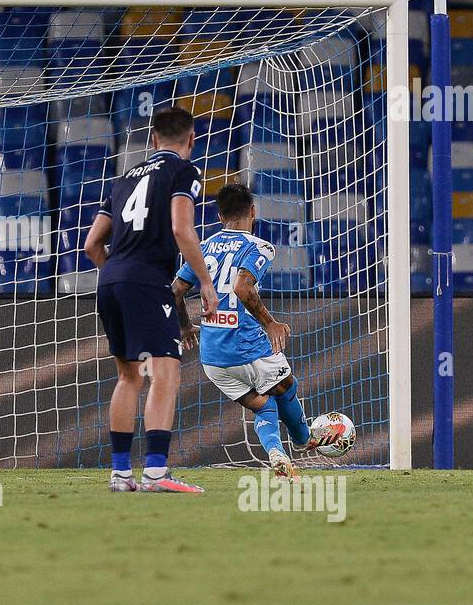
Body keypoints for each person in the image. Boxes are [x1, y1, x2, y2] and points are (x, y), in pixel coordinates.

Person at [83, 106, 215, 494]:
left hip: (110, 280)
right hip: (145, 280)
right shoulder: (184, 171)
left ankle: (121, 474)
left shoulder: (123, 179)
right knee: (166, 373)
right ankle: (156, 472)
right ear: (191, 140)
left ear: (153, 139)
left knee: (129, 375)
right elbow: (180, 227)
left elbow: (92, 244)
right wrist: (205, 283)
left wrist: (119, 274)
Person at [172, 182, 343, 481]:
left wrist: (186, 327)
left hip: (212, 358)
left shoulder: (204, 247)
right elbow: (241, 286)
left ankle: (277, 453)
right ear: (253, 211)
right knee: (286, 386)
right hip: (247, 347)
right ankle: (303, 440)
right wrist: (270, 323)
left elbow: (175, 291)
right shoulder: (258, 246)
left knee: (264, 406)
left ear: (219, 215)